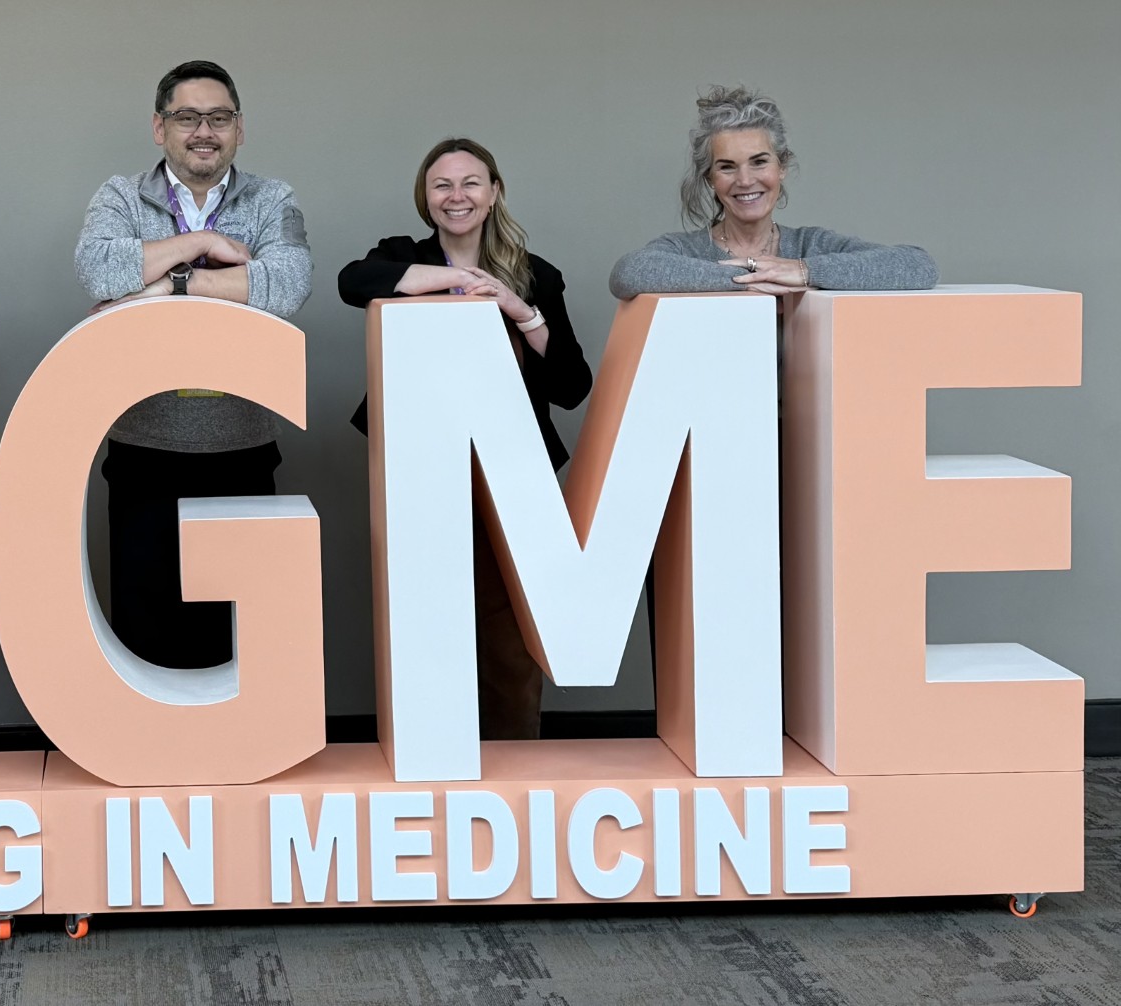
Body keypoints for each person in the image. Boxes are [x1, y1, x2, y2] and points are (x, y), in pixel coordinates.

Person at [339, 138, 592, 740]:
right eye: (442, 185)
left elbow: (572, 386)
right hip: (427, 470)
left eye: (471, 182)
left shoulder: (535, 273)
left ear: (495, 191)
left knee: (509, 640)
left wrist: (518, 309)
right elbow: (354, 282)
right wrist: (452, 279)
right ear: (426, 198)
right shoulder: (401, 256)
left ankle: (512, 765)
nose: (457, 196)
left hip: (512, 472)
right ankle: (432, 757)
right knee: (428, 625)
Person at [74, 59, 313, 669]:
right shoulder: (120, 196)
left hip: (242, 452)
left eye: (219, 118)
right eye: (187, 117)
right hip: (143, 454)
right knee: (146, 645)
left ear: (239, 129)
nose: (204, 131)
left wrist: (166, 285)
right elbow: (100, 270)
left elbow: (287, 283)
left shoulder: (272, 199)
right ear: (160, 128)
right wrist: (203, 246)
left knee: (238, 649)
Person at [609, 85, 938, 301]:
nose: (745, 180)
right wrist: (753, 278)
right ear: (710, 178)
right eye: (727, 167)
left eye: (759, 162)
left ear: (782, 167)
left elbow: (918, 265)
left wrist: (803, 271)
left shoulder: (811, 246)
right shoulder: (685, 250)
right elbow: (628, 273)